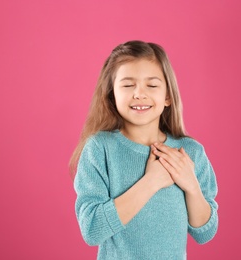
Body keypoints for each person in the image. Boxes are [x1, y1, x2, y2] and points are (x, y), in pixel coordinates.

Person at [69, 40, 218, 260]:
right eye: (128, 85)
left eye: (152, 85)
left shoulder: (190, 153)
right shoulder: (99, 149)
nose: (140, 94)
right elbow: (92, 230)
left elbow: (205, 232)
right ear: (112, 95)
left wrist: (191, 186)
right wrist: (151, 182)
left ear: (167, 96)